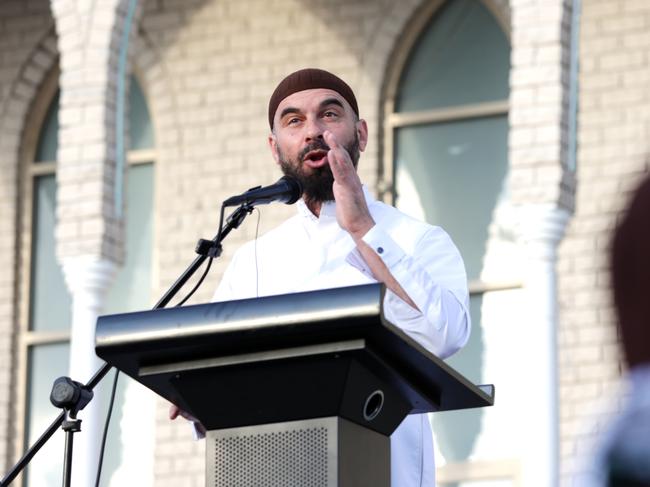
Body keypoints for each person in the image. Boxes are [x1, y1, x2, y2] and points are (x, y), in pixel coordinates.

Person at [170, 68, 471, 486]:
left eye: (329, 115)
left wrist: (364, 229)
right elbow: (224, 376)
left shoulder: (418, 239)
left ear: (361, 135)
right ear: (276, 149)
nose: (312, 131)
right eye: (294, 121)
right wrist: (199, 398)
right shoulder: (254, 260)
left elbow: (445, 334)